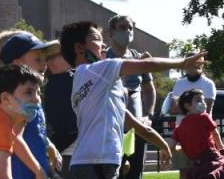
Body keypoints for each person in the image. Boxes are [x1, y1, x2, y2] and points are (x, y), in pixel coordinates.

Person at [60, 20, 205, 179]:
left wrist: (163, 145)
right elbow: (145, 65)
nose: (103, 44)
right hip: (100, 163)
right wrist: (182, 63)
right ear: (80, 47)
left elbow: (139, 127)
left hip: (80, 162)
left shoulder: (83, 85)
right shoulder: (99, 69)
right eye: (96, 39)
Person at [0, 32, 61, 179]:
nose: (44, 64)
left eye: (45, 59)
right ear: (17, 64)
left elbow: (34, 130)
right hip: (18, 171)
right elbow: (13, 136)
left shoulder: (30, 94)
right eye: (38, 59)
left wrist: (49, 146)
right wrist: (38, 170)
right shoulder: (10, 97)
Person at [103, 16, 153, 179]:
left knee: (135, 173)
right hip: (111, 128)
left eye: (130, 28)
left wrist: (148, 115)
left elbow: (149, 90)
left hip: (137, 127)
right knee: (112, 173)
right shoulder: (103, 58)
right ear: (111, 32)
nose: (127, 31)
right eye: (122, 27)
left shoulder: (140, 58)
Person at [170, 89, 224, 179]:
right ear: (187, 106)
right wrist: (221, 146)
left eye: (203, 100)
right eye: (198, 100)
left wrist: (182, 147)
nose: (203, 103)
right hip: (212, 156)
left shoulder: (179, 127)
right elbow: (215, 133)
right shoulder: (204, 117)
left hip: (197, 163)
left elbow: (171, 146)